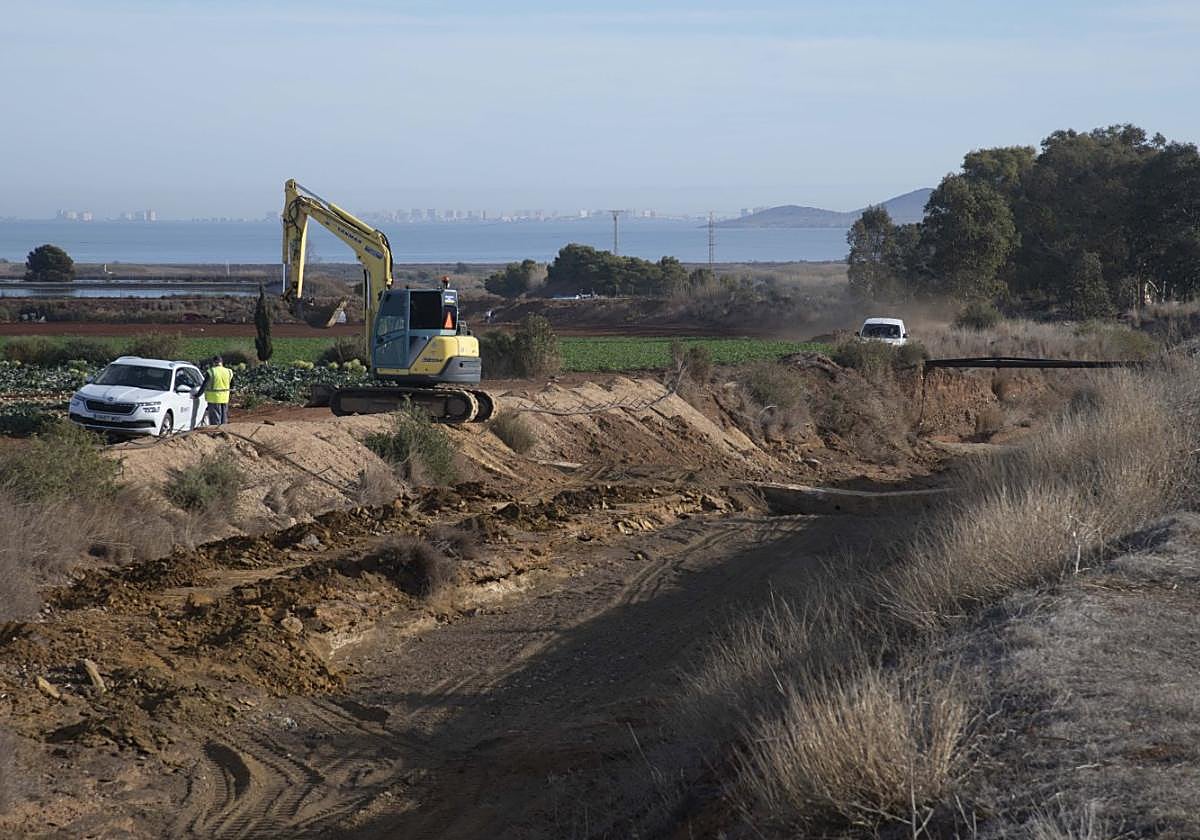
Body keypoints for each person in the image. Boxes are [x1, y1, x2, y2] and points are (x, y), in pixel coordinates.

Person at [203, 355, 233, 425]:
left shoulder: (211, 371)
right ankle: (223, 433)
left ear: (214, 362)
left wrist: (197, 395)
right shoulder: (229, 371)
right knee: (224, 419)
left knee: (215, 420)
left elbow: (204, 385)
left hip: (214, 399)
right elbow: (232, 386)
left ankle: (215, 434)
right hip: (225, 398)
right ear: (222, 362)